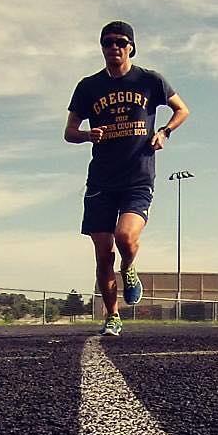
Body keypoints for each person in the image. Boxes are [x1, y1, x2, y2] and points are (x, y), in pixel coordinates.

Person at [65, 21, 190, 336]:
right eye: (107, 42)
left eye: (120, 42)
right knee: (103, 253)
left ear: (131, 47)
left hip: (138, 176)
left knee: (125, 237)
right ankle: (112, 315)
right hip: (101, 181)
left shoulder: (150, 80)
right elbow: (69, 132)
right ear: (102, 48)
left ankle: (129, 267)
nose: (114, 48)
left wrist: (165, 132)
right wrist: (87, 135)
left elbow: (182, 110)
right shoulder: (88, 87)